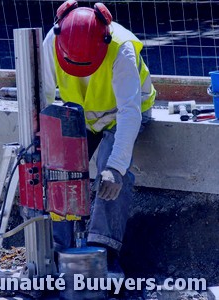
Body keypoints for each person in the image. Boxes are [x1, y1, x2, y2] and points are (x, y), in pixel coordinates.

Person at [43, 0, 156, 275]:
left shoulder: (121, 49)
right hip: (82, 114)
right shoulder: (53, 40)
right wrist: (46, 141)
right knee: (59, 168)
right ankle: (58, 251)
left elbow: (130, 114)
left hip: (123, 115)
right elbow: (43, 94)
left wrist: (116, 167)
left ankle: (103, 252)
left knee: (110, 172)